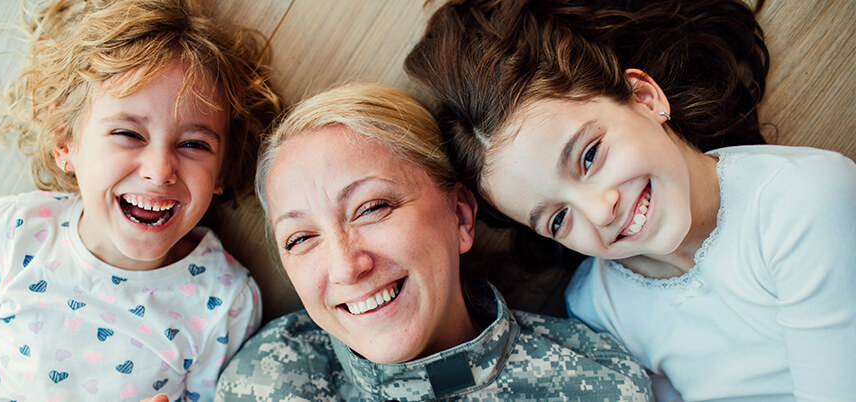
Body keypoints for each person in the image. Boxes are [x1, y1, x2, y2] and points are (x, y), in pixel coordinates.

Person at [404, 0, 856, 400]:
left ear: (644, 97)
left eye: (590, 155)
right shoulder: (598, 307)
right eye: (559, 219)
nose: (601, 211)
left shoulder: (802, 199)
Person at [0, 0, 281, 400]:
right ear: (64, 140)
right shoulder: (14, 231)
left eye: (193, 144)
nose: (160, 170)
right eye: (129, 134)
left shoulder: (224, 302)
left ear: (221, 171)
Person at [211, 83, 652, 400]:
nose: (347, 267)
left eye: (372, 208)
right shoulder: (264, 380)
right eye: (301, 238)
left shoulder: (595, 382)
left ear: (460, 215)